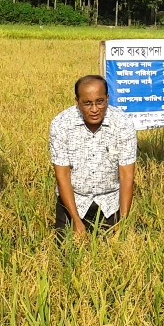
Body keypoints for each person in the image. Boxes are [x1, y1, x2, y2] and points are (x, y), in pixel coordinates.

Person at [49, 75, 137, 241]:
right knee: (66, 253)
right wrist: (75, 220)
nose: (95, 109)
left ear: (107, 99)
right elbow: (63, 175)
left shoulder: (123, 124)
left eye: (100, 101)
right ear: (77, 102)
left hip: (110, 202)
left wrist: (123, 223)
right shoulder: (61, 125)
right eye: (87, 103)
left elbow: (127, 176)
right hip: (73, 201)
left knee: (116, 253)